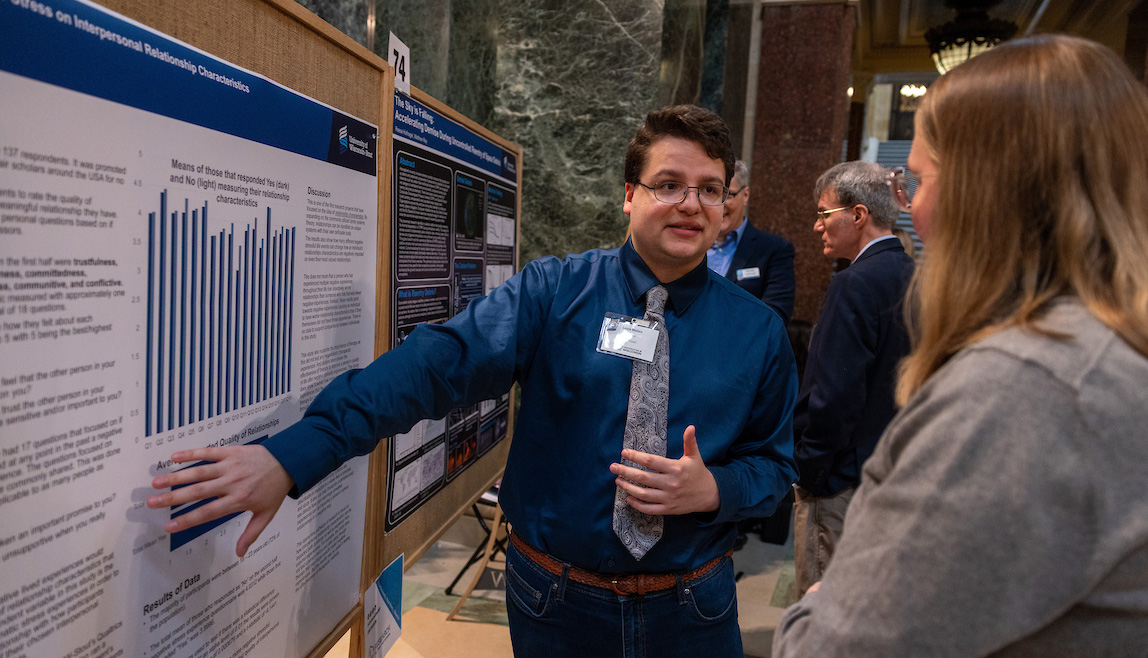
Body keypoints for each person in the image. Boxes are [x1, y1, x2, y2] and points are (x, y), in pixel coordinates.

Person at [148, 105, 799, 657]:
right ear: (629, 195)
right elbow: (430, 367)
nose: (690, 203)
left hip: (692, 611)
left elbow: (775, 468)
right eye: (668, 184)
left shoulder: (757, 332)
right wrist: (293, 456)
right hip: (558, 605)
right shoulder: (555, 294)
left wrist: (716, 488)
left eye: (709, 189)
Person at [773, 34, 1148, 657]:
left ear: (985, 190)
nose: (910, 209)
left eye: (917, 180)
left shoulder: (1026, 389)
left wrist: (813, 611)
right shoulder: (1106, 347)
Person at [791, 160, 913, 595]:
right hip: (889, 474)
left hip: (838, 483)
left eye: (824, 214)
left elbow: (835, 395)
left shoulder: (854, 283)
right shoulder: (914, 275)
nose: (816, 227)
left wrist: (810, 471)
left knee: (822, 609)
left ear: (858, 215)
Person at [707, 160, 796, 324]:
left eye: (728, 195)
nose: (720, 204)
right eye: (712, 193)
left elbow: (775, 317)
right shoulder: (687, 245)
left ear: (745, 195)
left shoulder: (774, 251)